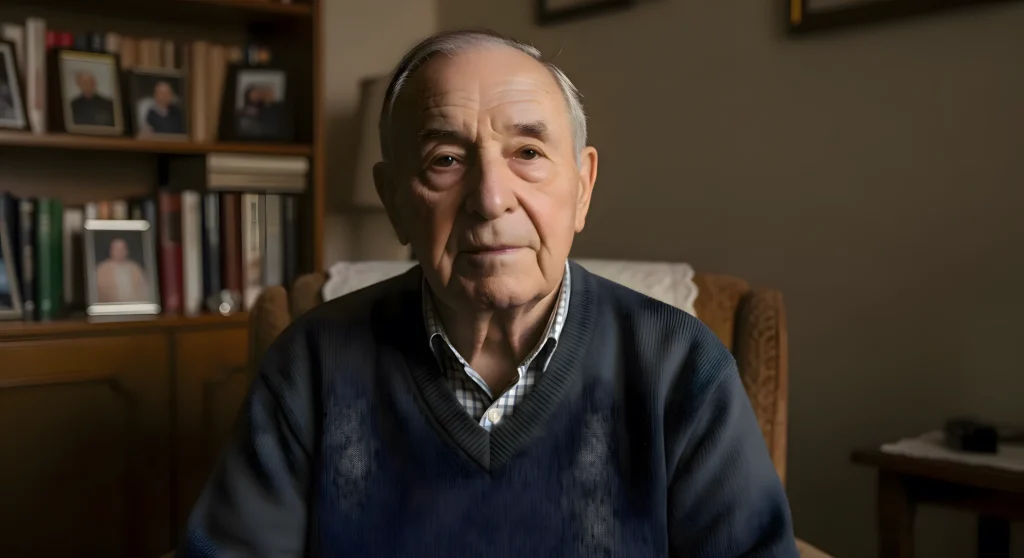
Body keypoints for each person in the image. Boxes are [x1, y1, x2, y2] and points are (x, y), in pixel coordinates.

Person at [178, 30, 799, 557]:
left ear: (582, 187)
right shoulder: (311, 363)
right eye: (446, 160)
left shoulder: (681, 364)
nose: (491, 198)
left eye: (528, 152)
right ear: (393, 199)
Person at [95, 238, 148, 303]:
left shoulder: (135, 268)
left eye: (122, 249)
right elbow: (98, 292)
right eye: (117, 249)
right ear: (111, 251)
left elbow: (144, 290)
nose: (120, 252)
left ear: (127, 251)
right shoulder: (102, 269)